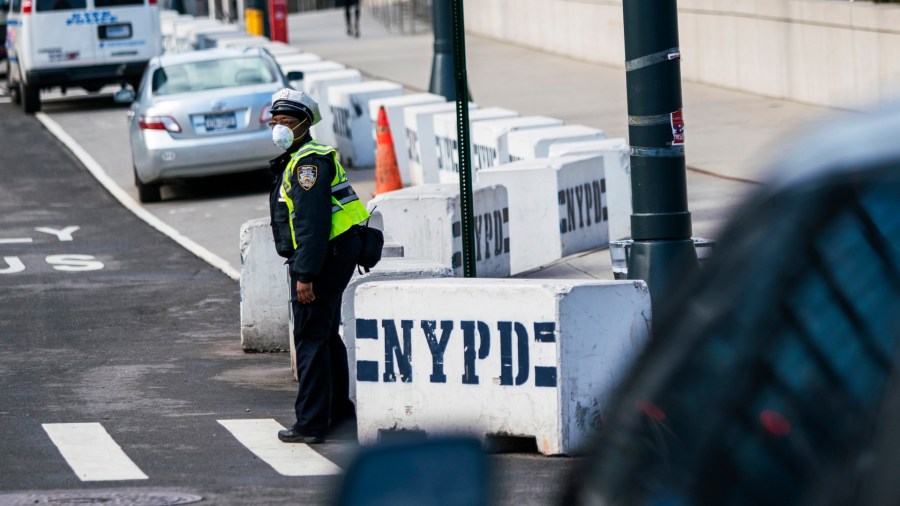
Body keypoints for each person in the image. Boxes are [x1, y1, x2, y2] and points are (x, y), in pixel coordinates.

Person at [266, 88, 370, 444]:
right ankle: (339, 416)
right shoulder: (303, 157)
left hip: (325, 256)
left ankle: (311, 423)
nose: (278, 128)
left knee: (311, 336)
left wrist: (306, 275)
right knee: (325, 336)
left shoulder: (308, 163)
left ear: (304, 125)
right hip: (338, 252)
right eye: (275, 122)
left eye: (286, 122)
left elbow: (313, 223)